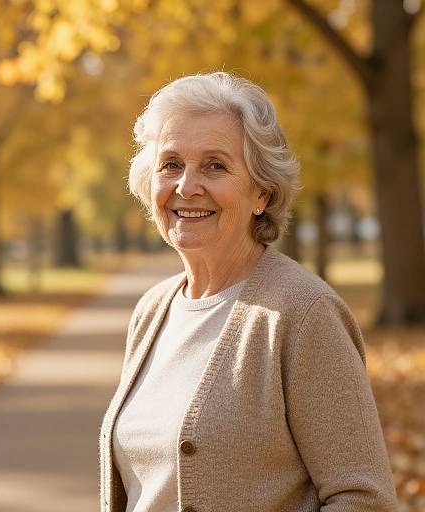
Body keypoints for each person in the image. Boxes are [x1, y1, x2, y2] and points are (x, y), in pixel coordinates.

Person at [99, 72, 398, 512]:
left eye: (215, 166)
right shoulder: (152, 311)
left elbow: (365, 500)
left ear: (261, 191)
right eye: (171, 164)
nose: (186, 187)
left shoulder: (303, 314)